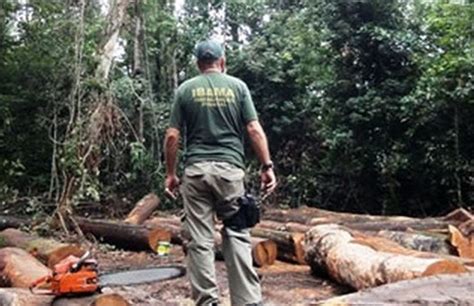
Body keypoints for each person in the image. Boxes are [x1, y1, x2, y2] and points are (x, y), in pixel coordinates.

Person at [164, 39, 277, 306]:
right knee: (237, 233)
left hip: (196, 173)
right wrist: (267, 166)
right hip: (230, 173)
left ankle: (207, 302)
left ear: (198, 63)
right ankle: (247, 301)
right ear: (222, 61)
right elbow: (253, 129)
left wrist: (171, 173)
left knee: (200, 240)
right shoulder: (238, 87)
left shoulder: (185, 90)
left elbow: (172, 135)